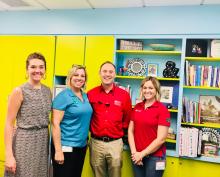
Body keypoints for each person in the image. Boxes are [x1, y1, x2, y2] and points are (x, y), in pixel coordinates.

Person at [4, 52, 52, 177]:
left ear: (45, 70)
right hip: (24, 141)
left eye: (41, 67)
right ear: (27, 69)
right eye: (33, 67)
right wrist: (9, 155)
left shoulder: (48, 91)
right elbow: (9, 124)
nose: (38, 70)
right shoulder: (19, 91)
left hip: (42, 141)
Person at [88, 61, 132, 177]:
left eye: (110, 71)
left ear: (115, 74)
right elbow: (87, 116)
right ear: (99, 73)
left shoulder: (124, 95)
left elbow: (127, 118)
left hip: (115, 143)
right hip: (96, 143)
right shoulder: (91, 94)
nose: (107, 74)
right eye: (104, 71)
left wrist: (117, 131)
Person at [51, 64, 93, 177]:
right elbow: (55, 124)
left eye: (82, 76)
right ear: (70, 77)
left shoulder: (85, 96)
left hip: (81, 146)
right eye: (76, 75)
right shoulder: (63, 96)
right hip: (65, 146)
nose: (79, 78)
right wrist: (58, 151)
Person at [128, 76, 170, 177]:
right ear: (141, 90)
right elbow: (130, 131)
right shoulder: (137, 107)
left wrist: (141, 154)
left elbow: (161, 139)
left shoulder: (162, 110)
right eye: (145, 88)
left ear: (156, 90)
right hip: (137, 155)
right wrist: (135, 154)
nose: (147, 91)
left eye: (151, 88)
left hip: (155, 157)